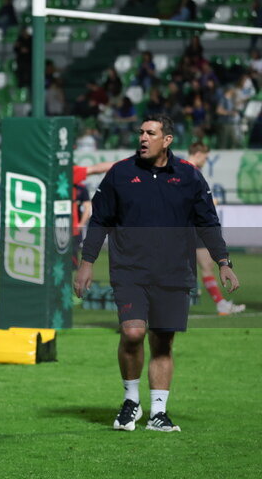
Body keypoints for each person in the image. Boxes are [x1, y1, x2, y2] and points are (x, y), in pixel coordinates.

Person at [74, 115, 240, 433]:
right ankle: (131, 401)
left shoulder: (189, 176)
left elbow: (207, 222)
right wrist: (87, 261)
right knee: (133, 333)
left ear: (167, 140)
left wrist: (223, 262)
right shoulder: (120, 173)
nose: (143, 138)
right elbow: (100, 220)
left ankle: (158, 414)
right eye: (141, 132)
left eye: (151, 133)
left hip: (174, 272)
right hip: (129, 271)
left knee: (162, 342)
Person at [185, 142, 246, 315]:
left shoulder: (186, 170)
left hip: (192, 226)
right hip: (193, 226)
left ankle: (220, 304)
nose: (206, 160)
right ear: (197, 154)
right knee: (202, 266)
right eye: (205, 156)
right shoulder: (190, 171)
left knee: (206, 265)